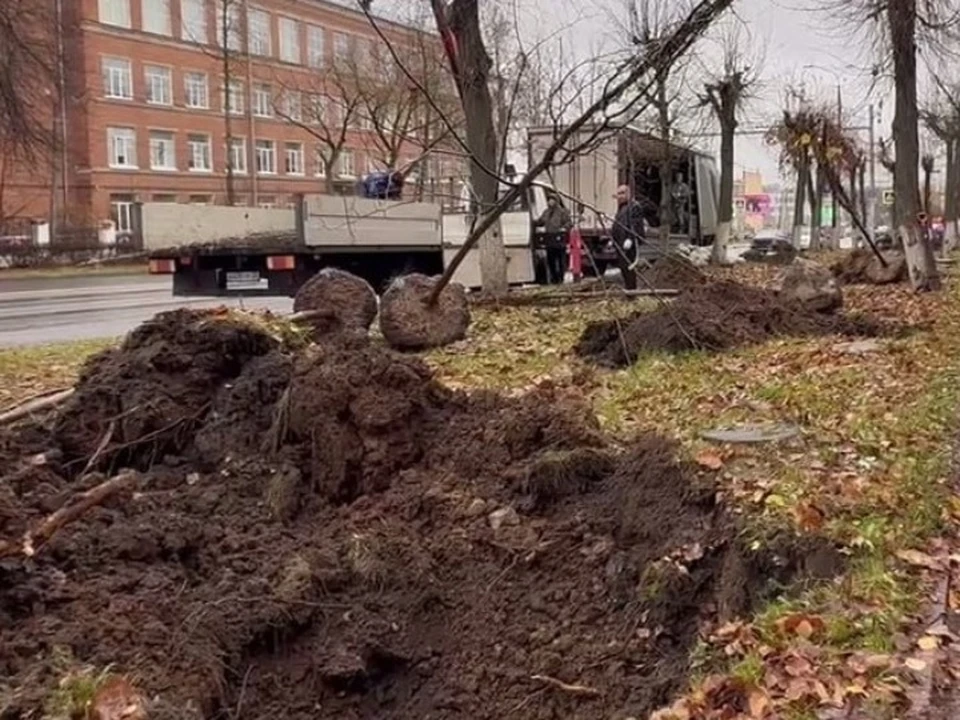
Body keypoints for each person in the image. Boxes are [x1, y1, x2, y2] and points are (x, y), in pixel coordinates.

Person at [611, 184, 646, 290]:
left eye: (622, 193)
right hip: (620, 243)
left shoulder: (634, 207)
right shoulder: (621, 208)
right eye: (618, 194)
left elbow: (635, 224)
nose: (620, 196)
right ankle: (628, 290)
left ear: (628, 194)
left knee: (629, 268)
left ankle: (632, 291)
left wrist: (630, 239)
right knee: (623, 268)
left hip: (628, 244)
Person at [534, 195, 573, 284]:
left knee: (560, 260)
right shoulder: (546, 212)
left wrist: (563, 228)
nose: (550, 202)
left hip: (559, 239)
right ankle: (553, 277)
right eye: (549, 200)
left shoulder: (562, 212)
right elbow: (541, 221)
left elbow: (569, 223)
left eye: (552, 200)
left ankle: (560, 277)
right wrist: (534, 222)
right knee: (550, 259)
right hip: (549, 238)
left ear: (556, 201)